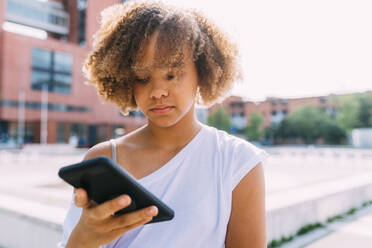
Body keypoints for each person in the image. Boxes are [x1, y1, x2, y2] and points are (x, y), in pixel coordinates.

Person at [58, 1, 269, 247]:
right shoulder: (106, 159)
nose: (158, 91)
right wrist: (84, 237)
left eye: (171, 74)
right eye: (143, 78)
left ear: (201, 71)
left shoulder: (237, 163)